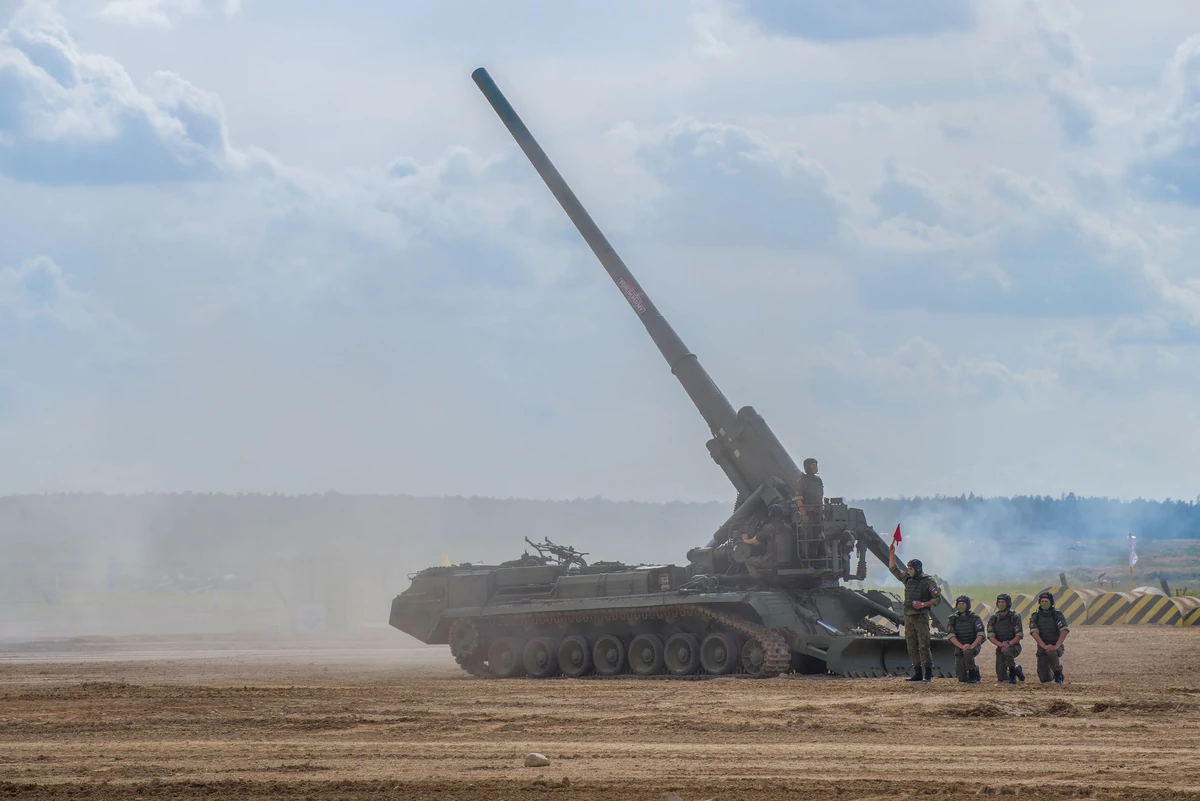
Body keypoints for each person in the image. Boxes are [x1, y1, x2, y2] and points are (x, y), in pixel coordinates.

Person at [888, 541, 942, 682]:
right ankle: (917, 672)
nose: (909, 570)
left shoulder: (927, 581)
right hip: (909, 617)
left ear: (918, 569)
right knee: (911, 645)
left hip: (921, 616)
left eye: (911, 568)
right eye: (908, 568)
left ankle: (928, 673)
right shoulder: (907, 578)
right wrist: (892, 553)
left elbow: (937, 599)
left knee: (924, 645)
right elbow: (894, 569)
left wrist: (923, 604)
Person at [1028, 590, 1069, 684]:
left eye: (1046, 601)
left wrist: (1056, 646)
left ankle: (1058, 672)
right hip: (1042, 647)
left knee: (1051, 653)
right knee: (1044, 679)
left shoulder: (1057, 614)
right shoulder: (1036, 616)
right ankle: (1052, 673)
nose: (1044, 603)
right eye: (1042, 601)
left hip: (1056, 645)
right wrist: (1044, 646)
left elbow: (1064, 630)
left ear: (1051, 603)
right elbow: (1034, 633)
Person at [986, 593, 1026, 684]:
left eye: (1003, 602)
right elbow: (990, 636)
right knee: (1002, 678)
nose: (1001, 604)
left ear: (1007, 603)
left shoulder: (1015, 617)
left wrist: (1008, 644)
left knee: (1008, 652)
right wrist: (1000, 644)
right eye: (999, 602)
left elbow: (1019, 635)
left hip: (1014, 646)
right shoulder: (994, 619)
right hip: (1000, 647)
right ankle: (1017, 669)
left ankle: (1012, 673)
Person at [945, 595, 985, 683]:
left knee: (968, 653)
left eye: (963, 604)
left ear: (967, 605)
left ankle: (972, 673)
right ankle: (975, 669)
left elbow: (981, 634)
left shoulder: (975, 618)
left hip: (973, 646)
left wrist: (972, 646)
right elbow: (951, 636)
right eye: (959, 604)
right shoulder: (952, 619)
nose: (961, 606)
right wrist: (962, 646)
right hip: (960, 648)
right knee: (962, 678)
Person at [741, 503, 788, 579]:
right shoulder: (788, 527)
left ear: (770, 515)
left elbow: (756, 541)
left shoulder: (769, 527)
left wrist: (745, 540)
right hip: (786, 561)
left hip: (771, 561)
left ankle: (760, 582)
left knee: (748, 562)